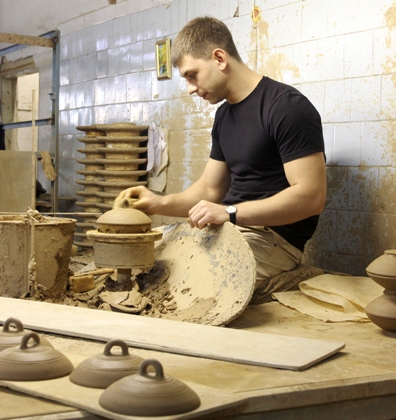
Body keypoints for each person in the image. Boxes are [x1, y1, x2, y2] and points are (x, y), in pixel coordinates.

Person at [117, 16, 326, 302]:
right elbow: (210, 190)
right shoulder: (224, 116)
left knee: (188, 285)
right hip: (230, 225)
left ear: (219, 58)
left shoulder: (287, 107)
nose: (190, 88)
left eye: (192, 75)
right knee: (144, 260)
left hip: (274, 239)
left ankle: (295, 279)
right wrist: (157, 203)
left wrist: (230, 213)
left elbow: (311, 197)